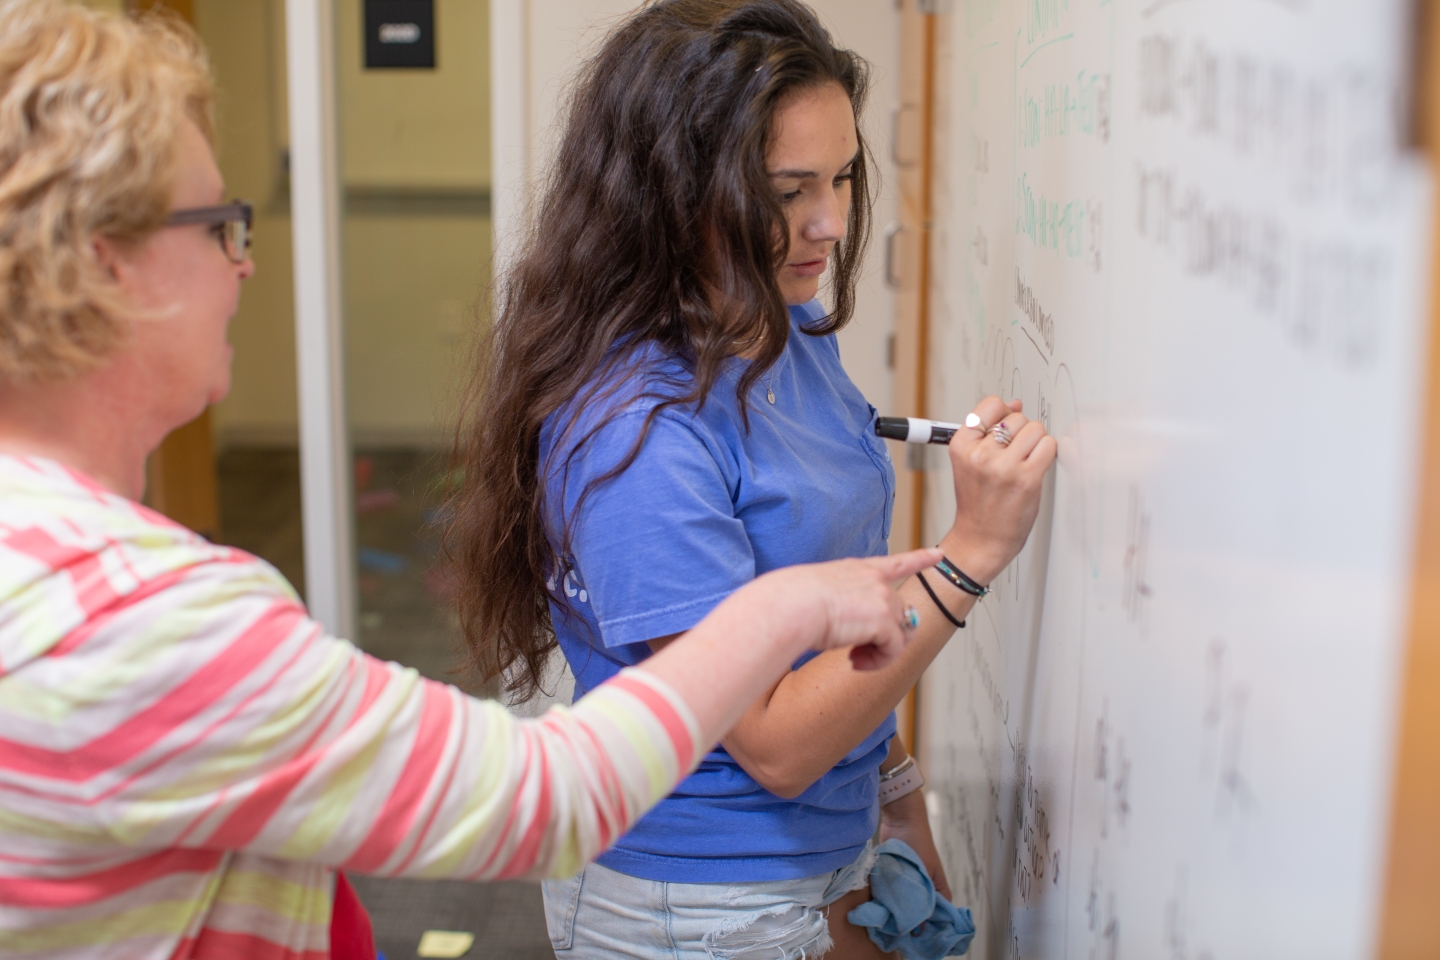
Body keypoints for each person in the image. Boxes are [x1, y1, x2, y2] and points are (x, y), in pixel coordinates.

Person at [0, 3, 943, 958]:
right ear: (98, 265)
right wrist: (803, 609)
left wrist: (886, 772)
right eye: (219, 226)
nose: (244, 266)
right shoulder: (144, 625)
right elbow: (547, 800)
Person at [448, 0, 1059, 956]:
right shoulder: (634, 431)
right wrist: (971, 552)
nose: (829, 222)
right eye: (785, 192)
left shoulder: (787, 323)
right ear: (669, 193)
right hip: (691, 900)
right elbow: (772, 741)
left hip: (828, 849)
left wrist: (892, 788)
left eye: (844, 177)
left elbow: (826, 607)